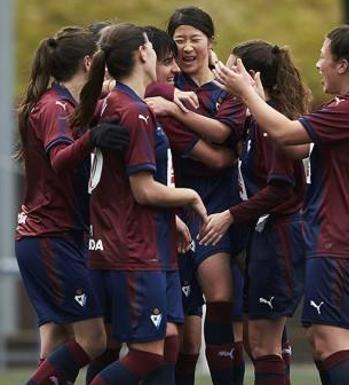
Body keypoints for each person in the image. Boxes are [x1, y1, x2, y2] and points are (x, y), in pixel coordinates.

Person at [213, 24, 349, 385]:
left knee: (330, 344)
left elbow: (284, 134)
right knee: (322, 342)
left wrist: (248, 95)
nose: (317, 64)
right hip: (344, 239)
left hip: (340, 240)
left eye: (323, 57)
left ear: (342, 65)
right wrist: (259, 102)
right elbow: (296, 148)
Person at [70, 23, 208, 385]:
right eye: (151, 46)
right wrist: (190, 197)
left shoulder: (118, 104)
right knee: (148, 354)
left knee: (163, 344)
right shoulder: (134, 110)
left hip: (130, 243)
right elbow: (143, 190)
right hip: (133, 248)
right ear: (142, 54)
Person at [14, 26, 128, 385]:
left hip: (53, 237)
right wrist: (92, 138)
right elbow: (61, 158)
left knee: (59, 340)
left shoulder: (67, 103)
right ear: (88, 62)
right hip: (50, 237)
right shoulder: (55, 106)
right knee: (94, 339)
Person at [202, 40, 309, 385]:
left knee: (264, 342)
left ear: (251, 77)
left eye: (231, 69)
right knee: (263, 340)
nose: (223, 75)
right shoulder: (257, 119)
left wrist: (230, 215)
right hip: (268, 236)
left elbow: (282, 187)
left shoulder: (269, 122)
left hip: (281, 236)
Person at [164, 7, 248, 385]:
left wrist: (176, 114)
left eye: (195, 39)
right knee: (181, 332)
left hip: (218, 210)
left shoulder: (228, 89)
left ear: (210, 42)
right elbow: (217, 155)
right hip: (172, 214)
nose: (186, 47)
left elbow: (223, 135)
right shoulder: (162, 88)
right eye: (179, 40)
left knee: (222, 301)